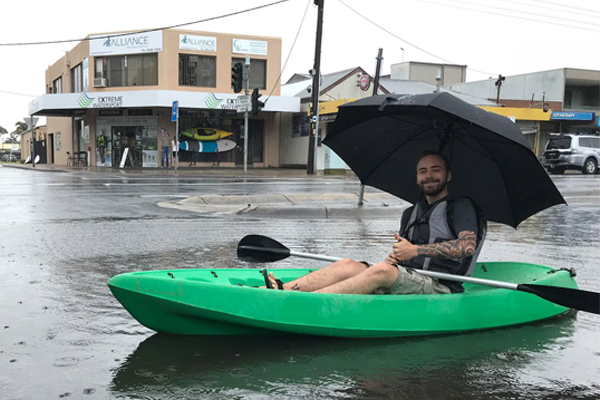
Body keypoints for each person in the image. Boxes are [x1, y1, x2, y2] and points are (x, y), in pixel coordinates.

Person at [264, 150, 486, 295]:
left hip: (442, 286)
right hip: (409, 278)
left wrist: (415, 250)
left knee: (382, 271)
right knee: (348, 264)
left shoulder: (460, 206)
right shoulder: (411, 213)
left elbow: (466, 247)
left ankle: (303, 304)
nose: (429, 176)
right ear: (417, 177)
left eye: (436, 170)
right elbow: (404, 255)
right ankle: (282, 289)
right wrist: (397, 256)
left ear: (448, 176)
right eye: (423, 171)